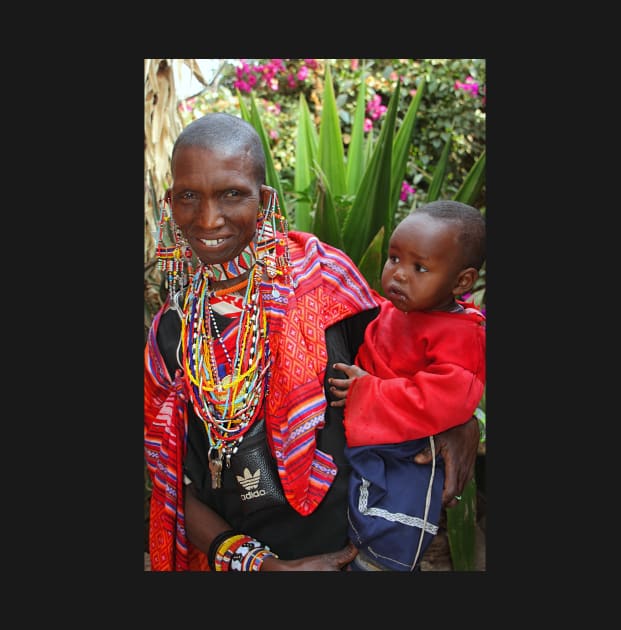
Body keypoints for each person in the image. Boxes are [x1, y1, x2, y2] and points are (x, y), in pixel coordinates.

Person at [144, 112, 481, 572]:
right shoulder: (171, 334)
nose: (208, 218)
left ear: (263, 199)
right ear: (170, 204)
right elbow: (172, 486)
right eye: (188, 197)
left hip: (355, 553)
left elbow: (418, 362)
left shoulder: (326, 282)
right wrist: (264, 567)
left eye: (231, 194)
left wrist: (461, 424)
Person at [328, 200, 486, 571]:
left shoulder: (460, 335)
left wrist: (367, 391)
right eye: (394, 258)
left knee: (387, 531)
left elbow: (444, 400)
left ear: (461, 282)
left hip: (408, 455)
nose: (398, 275)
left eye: (419, 267)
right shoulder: (393, 311)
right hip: (375, 438)